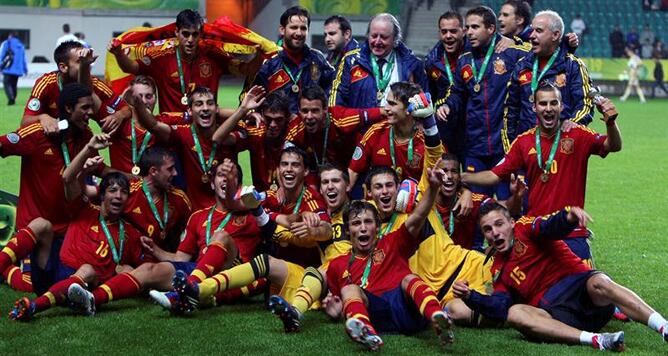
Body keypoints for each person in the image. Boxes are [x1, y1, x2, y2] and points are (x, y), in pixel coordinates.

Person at [453, 202, 668, 351]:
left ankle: (663, 326)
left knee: (599, 281)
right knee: (515, 313)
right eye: (488, 229)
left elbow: (549, 227)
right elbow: (499, 306)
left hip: (584, 292)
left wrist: (568, 218)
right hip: (560, 316)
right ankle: (597, 340)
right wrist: (470, 297)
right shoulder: (497, 268)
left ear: (511, 223)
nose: (495, 232)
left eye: (499, 224)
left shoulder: (525, 228)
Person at [66, 159, 260, 315]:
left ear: (238, 185)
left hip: (235, 272)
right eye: (220, 176)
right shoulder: (198, 217)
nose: (225, 181)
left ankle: (188, 290)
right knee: (148, 269)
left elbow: (256, 206)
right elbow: (181, 259)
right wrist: (155, 249)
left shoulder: (251, 212)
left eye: (230, 178)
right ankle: (93, 299)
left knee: (221, 237)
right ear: (211, 182)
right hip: (201, 271)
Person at [463, 83, 622, 263]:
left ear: (561, 106)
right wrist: (462, 177)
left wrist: (611, 123)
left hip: (571, 232)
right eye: (543, 104)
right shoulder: (523, 142)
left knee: (584, 286)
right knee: (523, 285)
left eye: (553, 103)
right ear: (534, 107)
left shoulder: (577, 134)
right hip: (537, 230)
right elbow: (494, 175)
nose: (548, 109)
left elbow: (613, 145)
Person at [327, 167, 452, 350]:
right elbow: (339, 301)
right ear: (347, 231)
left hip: (407, 310)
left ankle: (437, 316)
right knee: (350, 289)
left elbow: (418, 216)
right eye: (356, 223)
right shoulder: (337, 265)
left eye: (368, 222)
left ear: (377, 228)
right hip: (377, 315)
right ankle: (366, 331)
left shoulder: (393, 241)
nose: (363, 228)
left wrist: (433, 187)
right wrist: (333, 311)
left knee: (409, 279)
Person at [9, 172, 144, 321]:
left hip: (84, 286)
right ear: (102, 195)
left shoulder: (130, 233)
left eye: (124, 192)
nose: (118, 196)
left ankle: (34, 306)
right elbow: (68, 180)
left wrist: (126, 270)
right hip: (54, 273)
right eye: (112, 190)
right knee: (41, 224)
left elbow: (141, 272)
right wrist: (86, 163)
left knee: (87, 269)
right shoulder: (85, 209)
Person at [438, 6, 529, 201]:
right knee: (476, 206)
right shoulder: (465, 60)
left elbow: (540, 48)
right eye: (468, 27)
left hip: (505, 146)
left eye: (475, 27)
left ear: (491, 28)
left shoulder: (511, 53)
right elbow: (457, 93)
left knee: (508, 204)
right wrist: (448, 105)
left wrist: (567, 44)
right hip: (475, 147)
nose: (469, 32)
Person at [130, 85, 265, 210]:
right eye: (199, 104)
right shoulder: (183, 134)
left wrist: (247, 111)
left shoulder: (232, 132)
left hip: (230, 211)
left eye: (210, 103)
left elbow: (221, 138)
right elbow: (154, 126)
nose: (205, 108)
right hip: (196, 214)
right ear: (189, 110)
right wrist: (137, 104)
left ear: (217, 109)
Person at [109, 9, 257, 113]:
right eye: (185, 34)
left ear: (201, 34)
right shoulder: (162, 57)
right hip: (172, 133)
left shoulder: (213, 56)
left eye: (195, 34)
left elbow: (247, 69)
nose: (190, 40)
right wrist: (118, 54)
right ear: (176, 32)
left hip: (204, 132)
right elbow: (131, 68)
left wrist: (261, 53)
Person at [503, 10, 594, 149]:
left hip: (561, 149)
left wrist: (573, 122)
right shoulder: (521, 66)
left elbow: (585, 104)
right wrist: (512, 149)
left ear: (556, 35)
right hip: (528, 151)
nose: (531, 36)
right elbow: (510, 112)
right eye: (532, 30)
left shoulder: (573, 66)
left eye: (538, 31)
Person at [329, 13, 428, 120]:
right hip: (361, 134)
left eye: (384, 37)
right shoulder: (351, 61)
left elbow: (424, 105)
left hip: (397, 134)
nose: (377, 41)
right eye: (374, 36)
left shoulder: (412, 65)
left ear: (395, 39)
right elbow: (336, 106)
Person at [22, 41, 130, 136]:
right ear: (63, 67)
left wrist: (119, 115)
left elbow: (126, 108)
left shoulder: (94, 84)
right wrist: (42, 117)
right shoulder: (46, 84)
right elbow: (25, 122)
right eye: (80, 61)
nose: (86, 65)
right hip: (53, 140)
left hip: (80, 138)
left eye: (87, 61)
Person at [252, 6, 334, 114]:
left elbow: (333, 89)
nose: (299, 33)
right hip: (279, 127)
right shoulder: (268, 62)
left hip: (309, 126)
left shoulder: (317, 59)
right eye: (294, 27)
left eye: (303, 28)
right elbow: (253, 98)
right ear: (282, 29)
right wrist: (254, 113)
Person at [348, 82, 428, 189]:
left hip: (415, 202)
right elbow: (352, 171)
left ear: (410, 108)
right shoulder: (375, 132)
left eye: (392, 104)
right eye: (387, 103)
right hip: (378, 200)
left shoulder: (427, 142)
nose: (385, 108)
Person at [285, 85, 372, 178]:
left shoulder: (340, 118)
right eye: (305, 111)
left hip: (354, 171)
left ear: (325, 109)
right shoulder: (295, 129)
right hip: (318, 175)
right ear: (299, 111)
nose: (309, 117)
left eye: (315, 111)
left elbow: (381, 113)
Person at [424, 11, 467, 162]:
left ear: (464, 31)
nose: (448, 36)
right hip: (446, 127)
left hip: (472, 126)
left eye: (453, 31)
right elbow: (430, 95)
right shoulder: (431, 61)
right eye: (444, 32)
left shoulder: (475, 55)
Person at [1, 32, 27, 105]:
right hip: (18, 69)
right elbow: (24, 59)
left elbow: (2, 55)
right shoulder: (21, 45)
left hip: (8, 68)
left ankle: (11, 98)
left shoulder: (7, 43)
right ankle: (13, 98)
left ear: (10, 36)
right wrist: (25, 69)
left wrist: (0, 66)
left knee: (6, 83)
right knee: (14, 84)